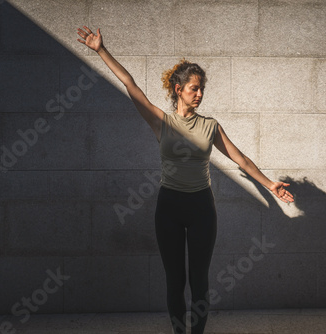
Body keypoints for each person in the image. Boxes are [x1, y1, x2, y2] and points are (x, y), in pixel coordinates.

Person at [76, 25, 294, 334]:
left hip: (202, 207)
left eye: (202, 88)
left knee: (200, 280)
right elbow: (130, 84)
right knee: (175, 280)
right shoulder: (160, 121)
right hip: (169, 207)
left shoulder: (210, 127)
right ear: (179, 89)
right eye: (194, 88)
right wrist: (101, 50)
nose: (200, 94)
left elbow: (240, 159)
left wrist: (270, 184)